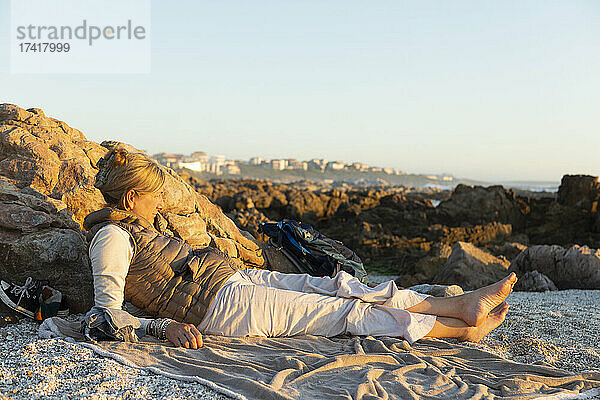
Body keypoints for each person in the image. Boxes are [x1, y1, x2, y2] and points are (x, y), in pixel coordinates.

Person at [83, 148, 517, 350]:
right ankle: (463, 329)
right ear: (129, 199)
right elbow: (106, 314)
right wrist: (162, 329)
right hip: (224, 309)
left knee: (338, 284)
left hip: (233, 280)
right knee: (343, 314)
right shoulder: (112, 239)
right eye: (152, 195)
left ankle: (459, 306)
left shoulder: (136, 225)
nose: (160, 202)